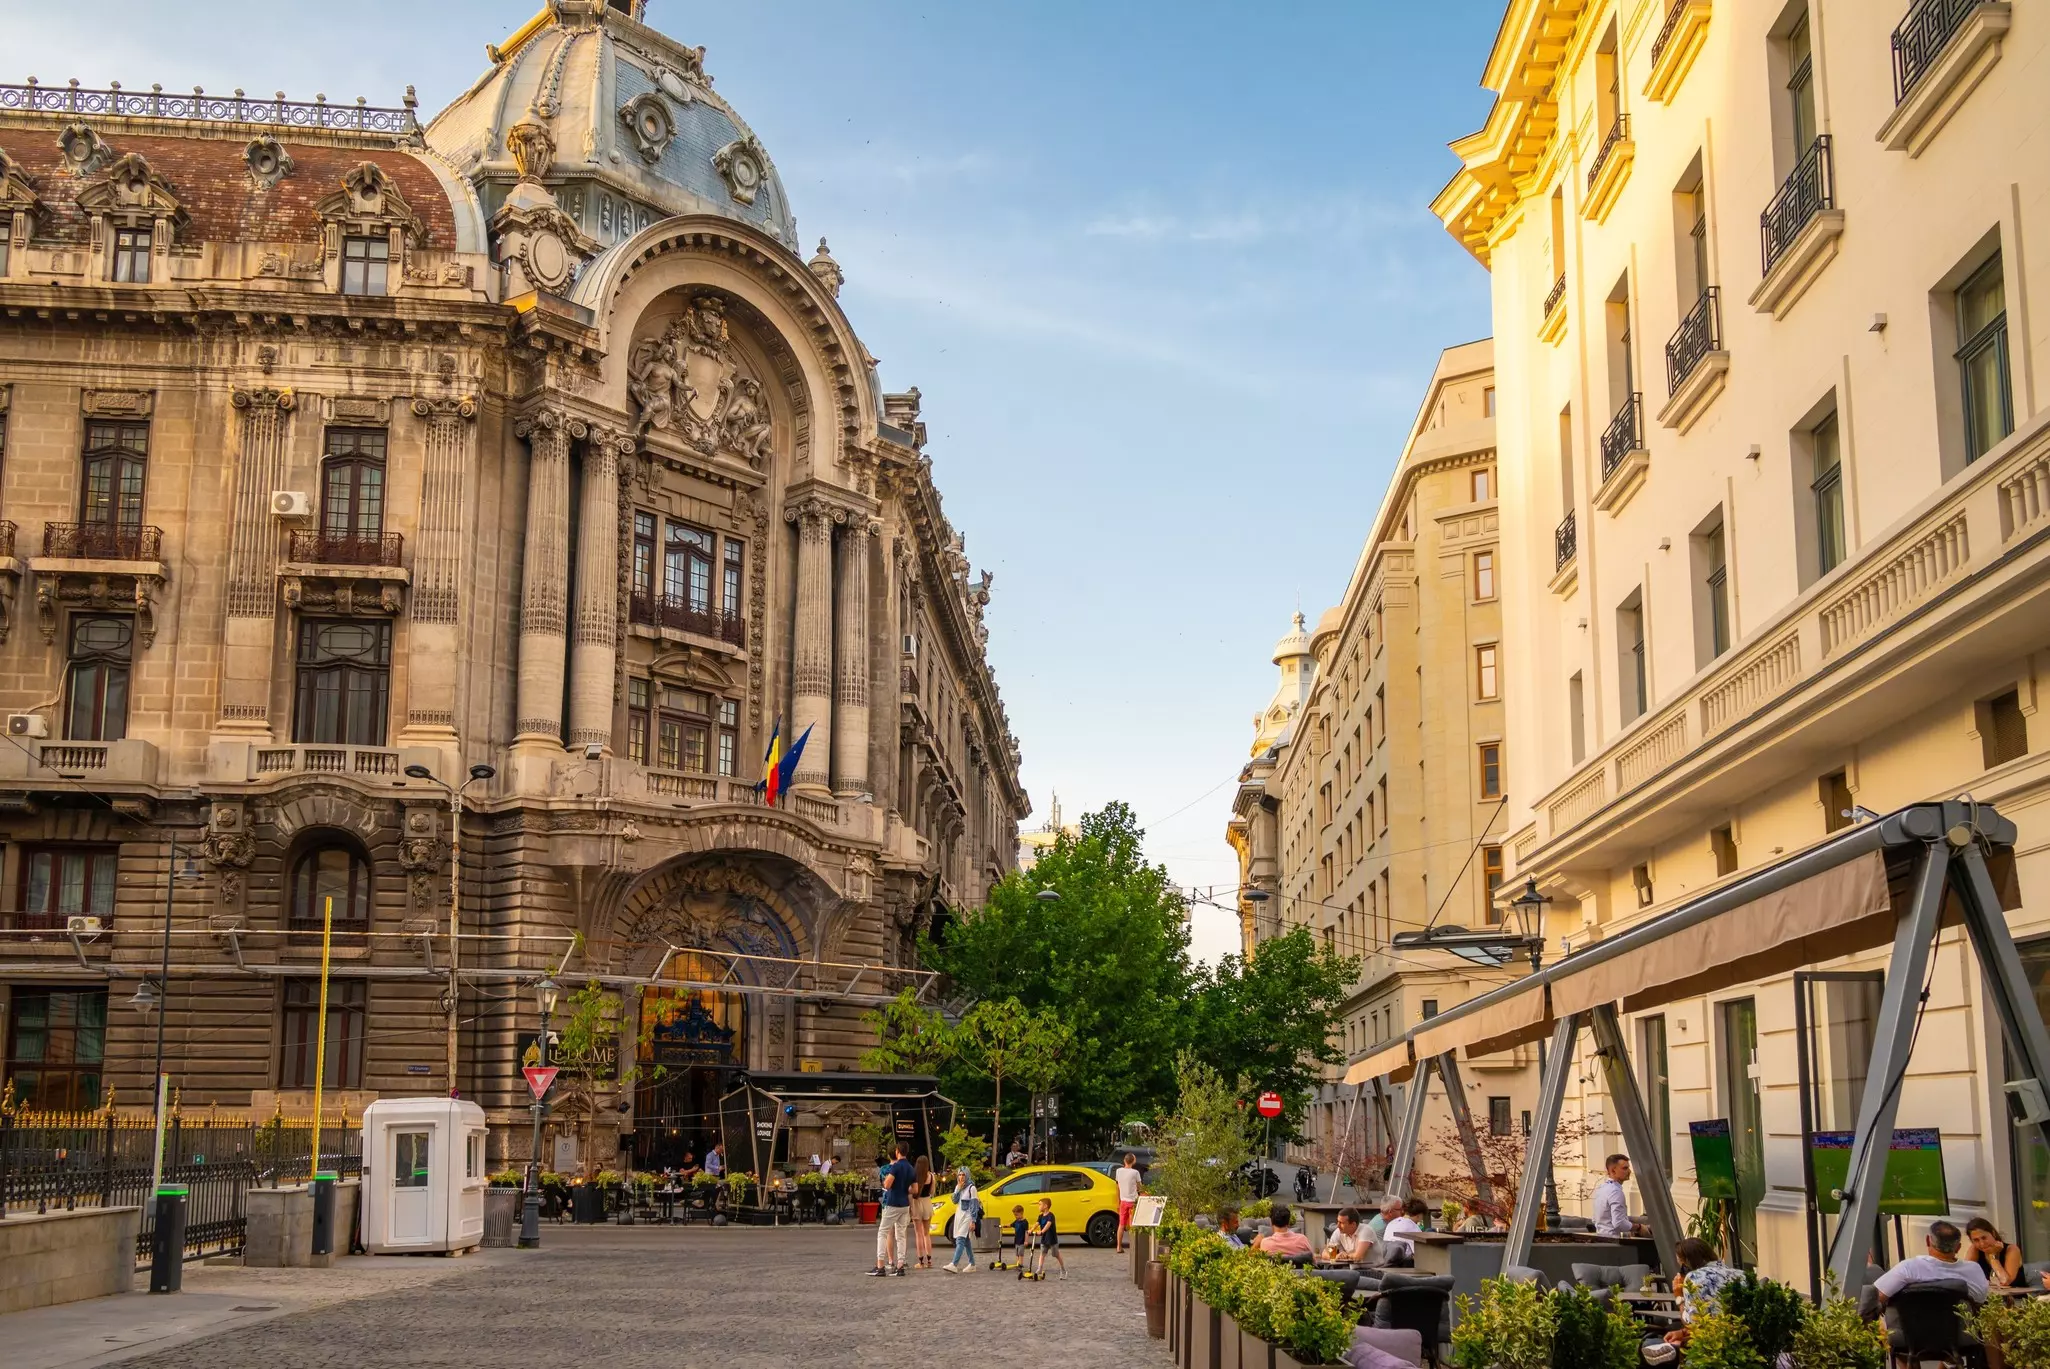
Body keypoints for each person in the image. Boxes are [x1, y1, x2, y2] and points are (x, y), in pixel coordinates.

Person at [1873, 1221, 1989, 1310]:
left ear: (1928, 1240)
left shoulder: (1908, 1268)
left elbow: (1873, 1300)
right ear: (1958, 1247)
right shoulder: (1974, 1269)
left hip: (1910, 1335)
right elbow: (1980, 1303)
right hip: (1963, 1337)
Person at [1660, 1237, 1742, 1348]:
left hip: (1713, 1348)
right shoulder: (1740, 1275)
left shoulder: (1694, 1277)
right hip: (1741, 1341)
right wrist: (1682, 1333)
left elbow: (1691, 1323)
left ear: (1688, 1263)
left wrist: (1679, 1296)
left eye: (1682, 1266)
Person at [868, 1142, 916, 1277]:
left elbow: (887, 1185)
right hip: (905, 1204)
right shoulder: (911, 1168)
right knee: (900, 1235)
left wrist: (887, 1182)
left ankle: (880, 1265)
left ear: (897, 1151)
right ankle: (900, 1265)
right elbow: (915, 1189)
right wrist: (905, 1188)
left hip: (892, 1202)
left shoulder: (895, 1167)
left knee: (883, 1232)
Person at [1593, 1154, 1643, 1238]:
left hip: (1600, 1238)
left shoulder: (1601, 1189)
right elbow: (1619, 1223)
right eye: (1625, 1168)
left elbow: (1595, 1219)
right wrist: (1639, 1227)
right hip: (1613, 1242)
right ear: (1613, 1171)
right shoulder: (1615, 1192)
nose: (1629, 1171)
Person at [1968, 1217, 2024, 1288]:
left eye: (1984, 1238)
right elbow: (1965, 1276)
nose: (1982, 1244)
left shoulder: (2012, 1249)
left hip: (2015, 1297)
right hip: (1989, 1296)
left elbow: (2005, 1281)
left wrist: (1993, 1256)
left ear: (1993, 1234)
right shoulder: (1975, 1249)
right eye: (1976, 1240)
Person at [944, 1167, 981, 1273]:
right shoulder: (958, 1186)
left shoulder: (972, 1188)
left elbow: (974, 1205)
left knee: (960, 1239)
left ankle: (954, 1264)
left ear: (967, 1175)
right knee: (966, 1241)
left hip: (968, 1216)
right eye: (959, 1175)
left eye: (963, 1175)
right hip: (959, 1215)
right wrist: (958, 1189)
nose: (961, 1177)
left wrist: (973, 1221)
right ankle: (972, 1264)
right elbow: (954, 1201)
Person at [1114, 1152, 1145, 1255]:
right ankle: (1133, 1246)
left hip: (1123, 1201)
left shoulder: (1118, 1171)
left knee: (1121, 1224)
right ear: (1134, 1161)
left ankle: (1118, 1246)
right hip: (1133, 1201)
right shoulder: (1135, 1173)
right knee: (1132, 1224)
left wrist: (1118, 1200)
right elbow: (1140, 1187)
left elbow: (1117, 1187)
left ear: (1124, 1160)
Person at [1030, 1196, 1067, 1280]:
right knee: (1042, 1253)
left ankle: (1063, 1269)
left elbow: (1048, 1224)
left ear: (1045, 1206)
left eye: (1040, 1204)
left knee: (1055, 1254)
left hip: (1052, 1239)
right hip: (1044, 1239)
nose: (1038, 1206)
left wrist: (1042, 1231)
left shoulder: (1051, 1215)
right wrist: (1031, 1229)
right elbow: (1037, 1224)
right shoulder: (1040, 1216)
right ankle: (1039, 1268)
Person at [910, 1155, 936, 1269]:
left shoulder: (914, 1176)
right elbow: (932, 1191)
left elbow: (912, 1192)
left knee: (918, 1234)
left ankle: (920, 1261)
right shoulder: (931, 1176)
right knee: (926, 1233)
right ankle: (929, 1260)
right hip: (927, 1203)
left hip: (917, 1203)